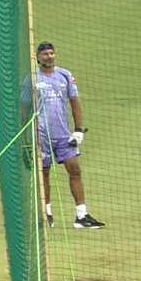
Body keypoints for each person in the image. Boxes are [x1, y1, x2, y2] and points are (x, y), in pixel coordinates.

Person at [31, 42, 104, 229]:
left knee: (75, 170)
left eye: (51, 53)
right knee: (44, 173)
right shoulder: (32, 77)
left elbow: (74, 102)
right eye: (45, 54)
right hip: (41, 134)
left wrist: (78, 129)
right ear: (37, 57)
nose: (49, 56)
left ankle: (81, 215)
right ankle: (46, 214)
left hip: (63, 134)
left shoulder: (65, 75)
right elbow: (25, 106)